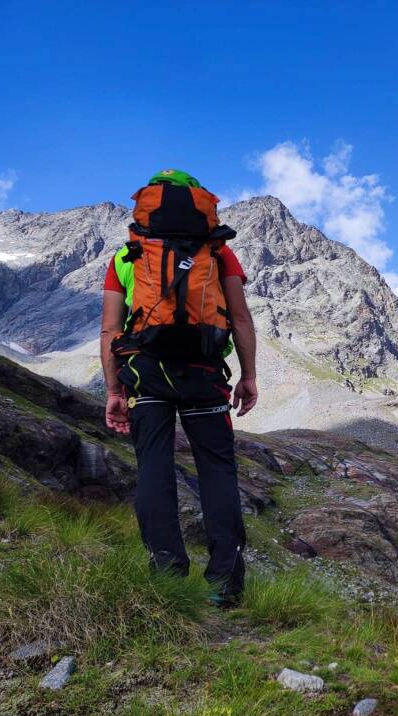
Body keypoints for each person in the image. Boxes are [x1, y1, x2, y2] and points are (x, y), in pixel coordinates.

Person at [99, 169, 258, 606]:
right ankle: (225, 587)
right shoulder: (221, 254)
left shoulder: (126, 257)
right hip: (204, 373)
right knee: (217, 472)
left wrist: (114, 389)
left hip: (146, 372)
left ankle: (166, 575)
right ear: (201, 205)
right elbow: (241, 319)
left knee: (154, 468)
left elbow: (110, 329)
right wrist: (248, 376)